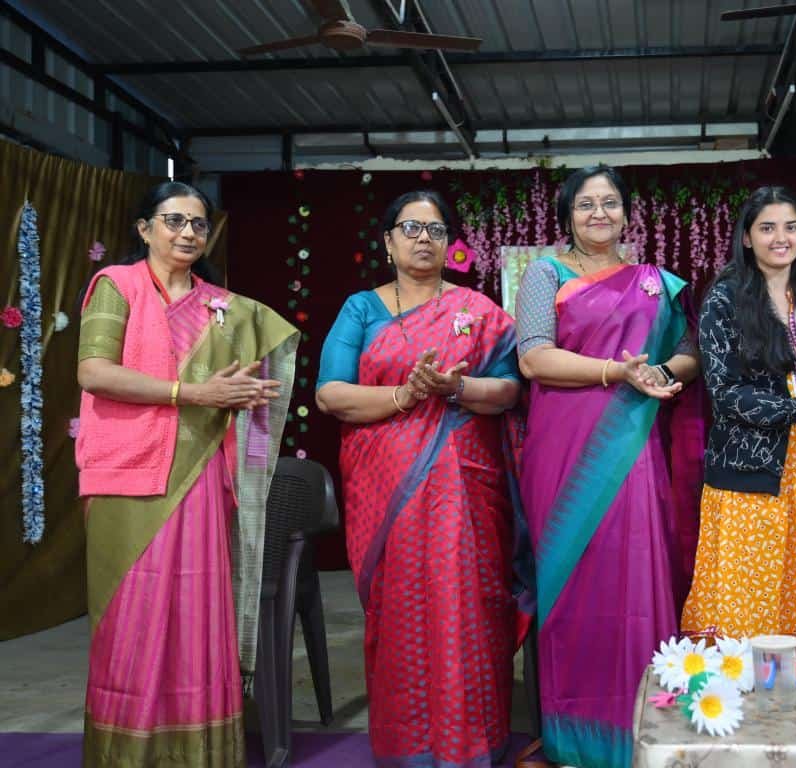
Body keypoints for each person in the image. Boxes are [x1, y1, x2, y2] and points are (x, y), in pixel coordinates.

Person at [77, 181, 298, 767]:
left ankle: (201, 754)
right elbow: (94, 372)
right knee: (132, 619)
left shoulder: (224, 307)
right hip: (127, 477)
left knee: (198, 615)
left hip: (200, 476)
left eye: (198, 224)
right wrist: (193, 392)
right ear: (144, 228)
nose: (188, 233)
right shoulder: (117, 285)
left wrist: (247, 396)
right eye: (174, 220)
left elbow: (260, 374)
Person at [316, 190, 528, 768]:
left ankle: (471, 743)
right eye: (410, 228)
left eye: (435, 230)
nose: (423, 239)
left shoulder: (478, 310)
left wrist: (456, 387)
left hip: (465, 485)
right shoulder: (361, 310)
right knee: (402, 609)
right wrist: (404, 395)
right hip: (386, 490)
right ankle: (408, 747)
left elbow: (511, 389)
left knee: (467, 605)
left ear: (450, 244)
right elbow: (331, 393)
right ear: (388, 242)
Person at [515, 165, 704, 768]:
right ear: (567, 215)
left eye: (610, 203)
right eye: (585, 204)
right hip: (563, 444)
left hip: (633, 441)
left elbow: (691, 350)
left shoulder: (655, 283)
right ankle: (574, 736)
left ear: (626, 212)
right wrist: (615, 371)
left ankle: (641, 729)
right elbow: (533, 358)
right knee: (570, 583)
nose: (599, 213)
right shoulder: (545, 274)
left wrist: (655, 374)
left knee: (635, 573)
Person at [680, 185, 796, 658]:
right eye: (767, 228)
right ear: (747, 238)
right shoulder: (724, 299)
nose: (780, 238)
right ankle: (744, 697)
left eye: (790, 227)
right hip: (751, 470)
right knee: (751, 600)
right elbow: (726, 394)